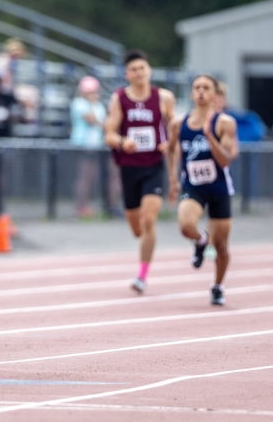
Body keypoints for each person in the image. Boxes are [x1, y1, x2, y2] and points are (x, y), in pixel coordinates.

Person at [103, 50, 175, 293]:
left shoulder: (163, 97)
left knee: (148, 219)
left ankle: (142, 275)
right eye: (134, 70)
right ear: (127, 74)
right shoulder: (119, 99)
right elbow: (109, 134)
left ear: (149, 70)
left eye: (142, 68)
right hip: (129, 168)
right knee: (137, 229)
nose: (139, 73)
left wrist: (170, 143)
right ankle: (143, 246)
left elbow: (175, 128)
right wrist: (123, 141)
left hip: (153, 167)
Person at [167, 75, 238, 305]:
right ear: (191, 93)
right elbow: (170, 149)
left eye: (206, 88)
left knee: (221, 246)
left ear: (214, 96)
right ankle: (200, 240)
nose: (200, 91)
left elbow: (225, 160)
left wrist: (209, 136)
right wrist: (172, 179)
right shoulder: (178, 124)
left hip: (218, 188)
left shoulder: (224, 123)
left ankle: (217, 285)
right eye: (196, 87)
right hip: (193, 186)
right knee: (185, 226)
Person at [70, 76, 106, 218]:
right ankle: (80, 207)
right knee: (83, 177)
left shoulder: (99, 105)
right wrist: (91, 104)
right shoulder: (79, 103)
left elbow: (103, 123)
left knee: (91, 177)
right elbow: (92, 120)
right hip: (82, 145)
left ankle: (85, 206)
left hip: (95, 145)